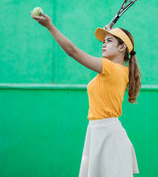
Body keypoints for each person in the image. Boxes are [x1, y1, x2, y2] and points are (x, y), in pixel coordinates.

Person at [31, 11, 141, 176]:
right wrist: (110, 35)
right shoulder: (119, 71)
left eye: (109, 41)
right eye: (103, 42)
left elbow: (73, 52)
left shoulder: (110, 69)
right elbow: (110, 58)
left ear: (122, 47)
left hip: (107, 135)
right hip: (100, 131)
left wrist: (50, 26)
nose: (103, 44)